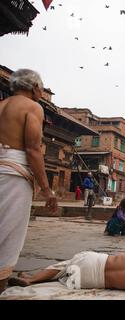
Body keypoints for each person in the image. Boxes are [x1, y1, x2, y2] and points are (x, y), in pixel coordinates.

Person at [0, 69, 58, 293]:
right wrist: (46, 189)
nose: (41, 93)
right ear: (34, 87)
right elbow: (33, 149)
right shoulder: (33, 107)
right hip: (13, 175)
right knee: (7, 237)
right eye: (41, 89)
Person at [7, 246, 125, 292]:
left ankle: (31, 279)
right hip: (87, 282)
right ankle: (34, 278)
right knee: (67, 272)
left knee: (63, 266)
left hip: (94, 261)